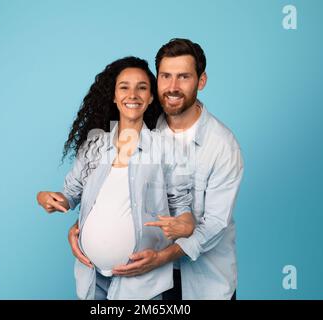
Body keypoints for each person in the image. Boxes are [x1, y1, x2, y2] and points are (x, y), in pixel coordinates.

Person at [69, 39, 244, 300]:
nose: (173, 87)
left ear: (201, 81)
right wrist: (83, 228)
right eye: (165, 76)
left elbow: (215, 225)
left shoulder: (222, 146)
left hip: (202, 284)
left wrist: (162, 257)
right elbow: (117, 192)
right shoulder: (144, 125)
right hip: (145, 284)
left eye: (184, 77)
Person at [37, 56, 194, 300]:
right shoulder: (95, 144)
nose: (133, 94)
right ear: (113, 96)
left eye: (142, 88)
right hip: (91, 276)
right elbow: (70, 195)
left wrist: (183, 225)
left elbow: (183, 211)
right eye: (124, 87)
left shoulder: (166, 149)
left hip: (141, 284)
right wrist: (46, 197)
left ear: (151, 97)